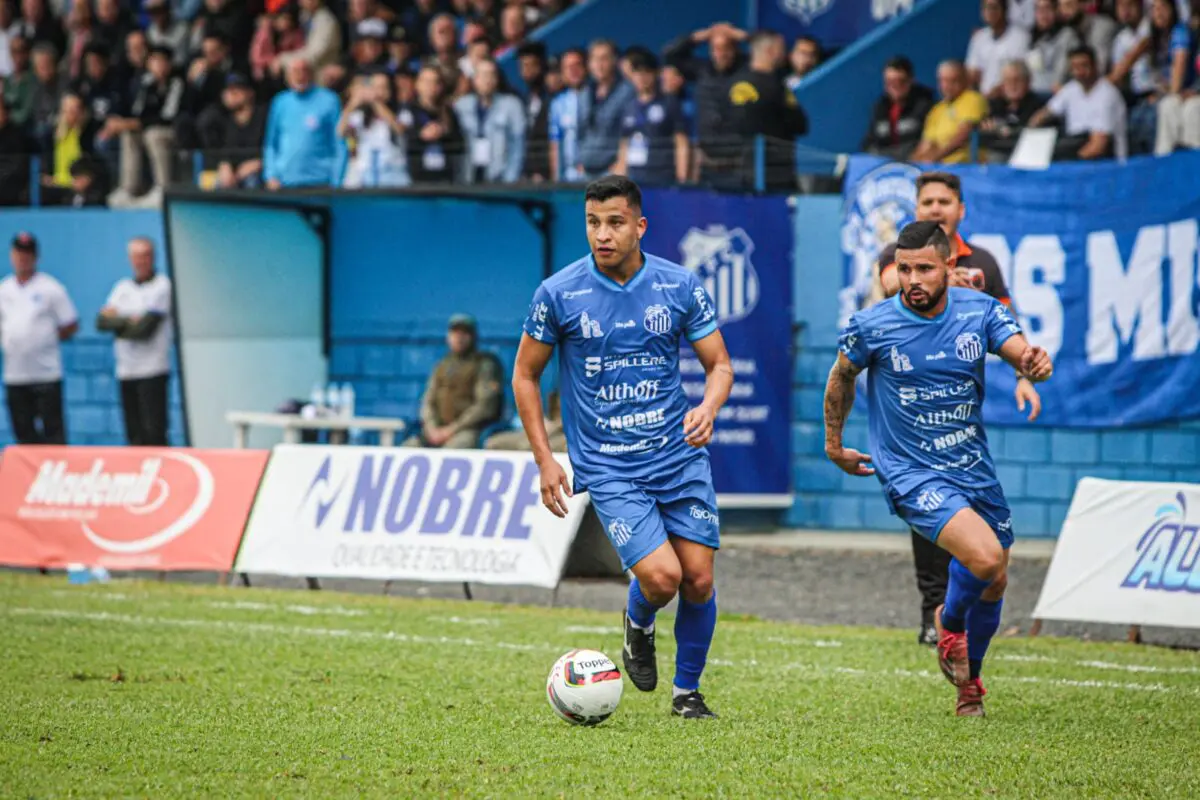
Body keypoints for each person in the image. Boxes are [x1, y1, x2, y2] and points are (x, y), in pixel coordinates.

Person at [513, 175, 734, 719]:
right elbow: (524, 375)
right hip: (610, 466)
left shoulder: (678, 285)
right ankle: (639, 622)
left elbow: (719, 365)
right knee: (663, 578)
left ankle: (687, 694)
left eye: (614, 222)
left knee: (700, 578)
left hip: (677, 455)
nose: (602, 234)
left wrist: (707, 408)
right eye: (593, 223)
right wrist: (545, 457)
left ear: (640, 226)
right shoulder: (558, 293)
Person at [825, 220, 1054, 716]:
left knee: (996, 581)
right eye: (904, 269)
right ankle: (948, 623)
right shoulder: (874, 325)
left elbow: (1020, 351)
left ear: (949, 267)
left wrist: (1031, 363)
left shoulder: (980, 311)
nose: (913, 280)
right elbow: (841, 376)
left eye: (925, 269)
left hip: (972, 464)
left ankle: (969, 687)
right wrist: (834, 444)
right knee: (987, 559)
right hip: (910, 471)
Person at [874, 171, 1042, 645]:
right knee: (929, 515)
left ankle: (956, 615)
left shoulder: (984, 261)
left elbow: (1008, 328)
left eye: (944, 201)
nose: (934, 209)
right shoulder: (900, 257)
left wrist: (1024, 377)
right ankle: (934, 611)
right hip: (907, 409)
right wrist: (938, 277)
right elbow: (890, 288)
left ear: (960, 209)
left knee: (975, 525)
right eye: (926, 201)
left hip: (957, 413)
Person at [0, 232, 79, 445]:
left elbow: (70, 323)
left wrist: (44, 338)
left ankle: (56, 474)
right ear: (12, 255)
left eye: (28, 254)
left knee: (53, 432)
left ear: (36, 257)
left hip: (46, 374)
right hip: (15, 375)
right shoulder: (4, 289)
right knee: (23, 433)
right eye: (19, 253)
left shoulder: (51, 288)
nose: (23, 258)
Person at [96, 236, 172, 446]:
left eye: (146, 256)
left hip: (153, 370)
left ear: (153, 257)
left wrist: (119, 323)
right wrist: (130, 321)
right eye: (137, 257)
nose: (141, 261)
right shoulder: (123, 288)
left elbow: (144, 330)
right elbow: (101, 322)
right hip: (126, 370)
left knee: (154, 431)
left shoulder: (161, 286)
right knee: (134, 433)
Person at [405, 313, 503, 449]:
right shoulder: (442, 365)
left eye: (465, 333)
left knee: (454, 451)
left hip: (467, 430)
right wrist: (431, 427)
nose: (459, 338)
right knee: (409, 447)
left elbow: (484, 407)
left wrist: (451, 430)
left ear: (473, 337)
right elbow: (428, 401)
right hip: (436, 430)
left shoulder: (485, 364)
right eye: (455, 333)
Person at [726, 29, 808, 191]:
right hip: (760, 175)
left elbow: (801, 125)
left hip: (776, 172)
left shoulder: (780, 86)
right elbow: (744, 124)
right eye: (781, 48)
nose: (784, 53)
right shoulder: (750, 85)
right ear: (770, 51)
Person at [911, 59, 988, 164]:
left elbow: (962, 136)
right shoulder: (936, 110)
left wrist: (933, 158)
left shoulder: (972, 98)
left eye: (954, 81)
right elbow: (926, 145)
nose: (948, 86)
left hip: (967, 168)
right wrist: (913, 163)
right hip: (940, 167)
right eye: (944, 81)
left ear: (965, 81)